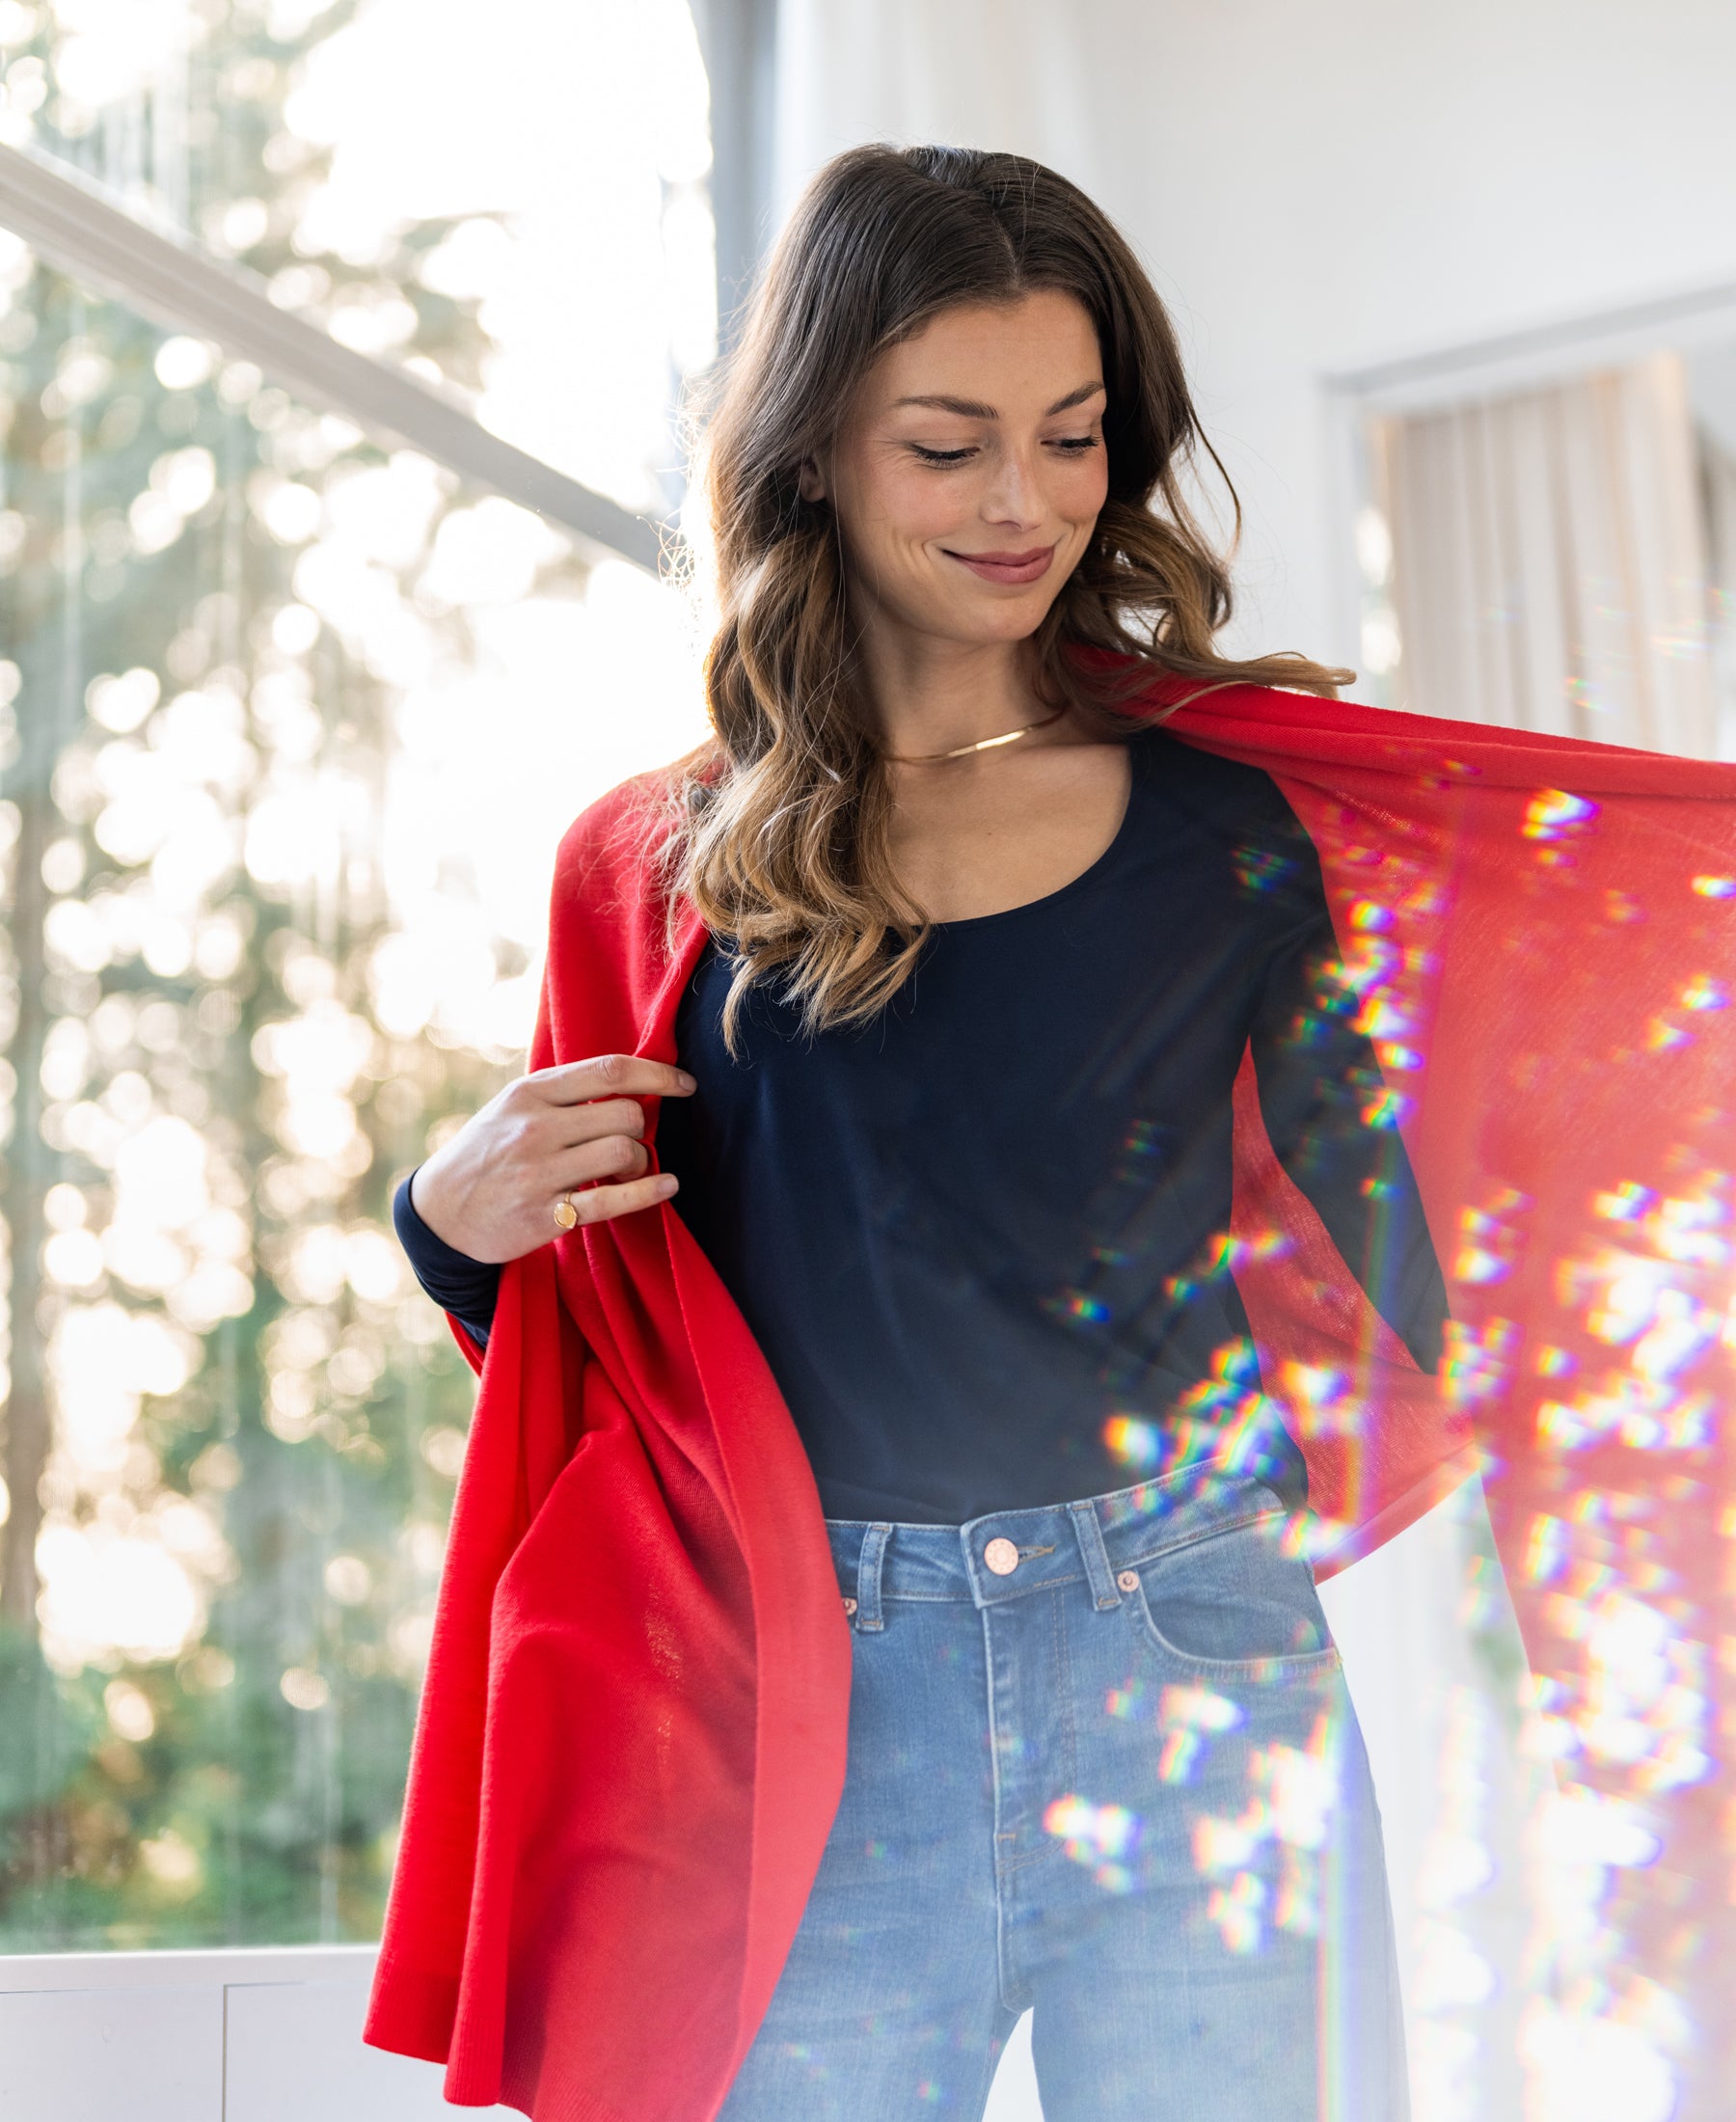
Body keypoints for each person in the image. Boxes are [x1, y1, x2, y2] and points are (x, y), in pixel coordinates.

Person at [390, 144, 1443, 2118]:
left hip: (1195, 1656)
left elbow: (1428, 1255)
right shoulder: (648, 866)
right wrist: (444, 1222)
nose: (1025, 502)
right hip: (810, 1690)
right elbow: (620, 1350)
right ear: (812, 451)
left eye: (1072, 436)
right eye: (949, 445)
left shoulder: (1234, 828)